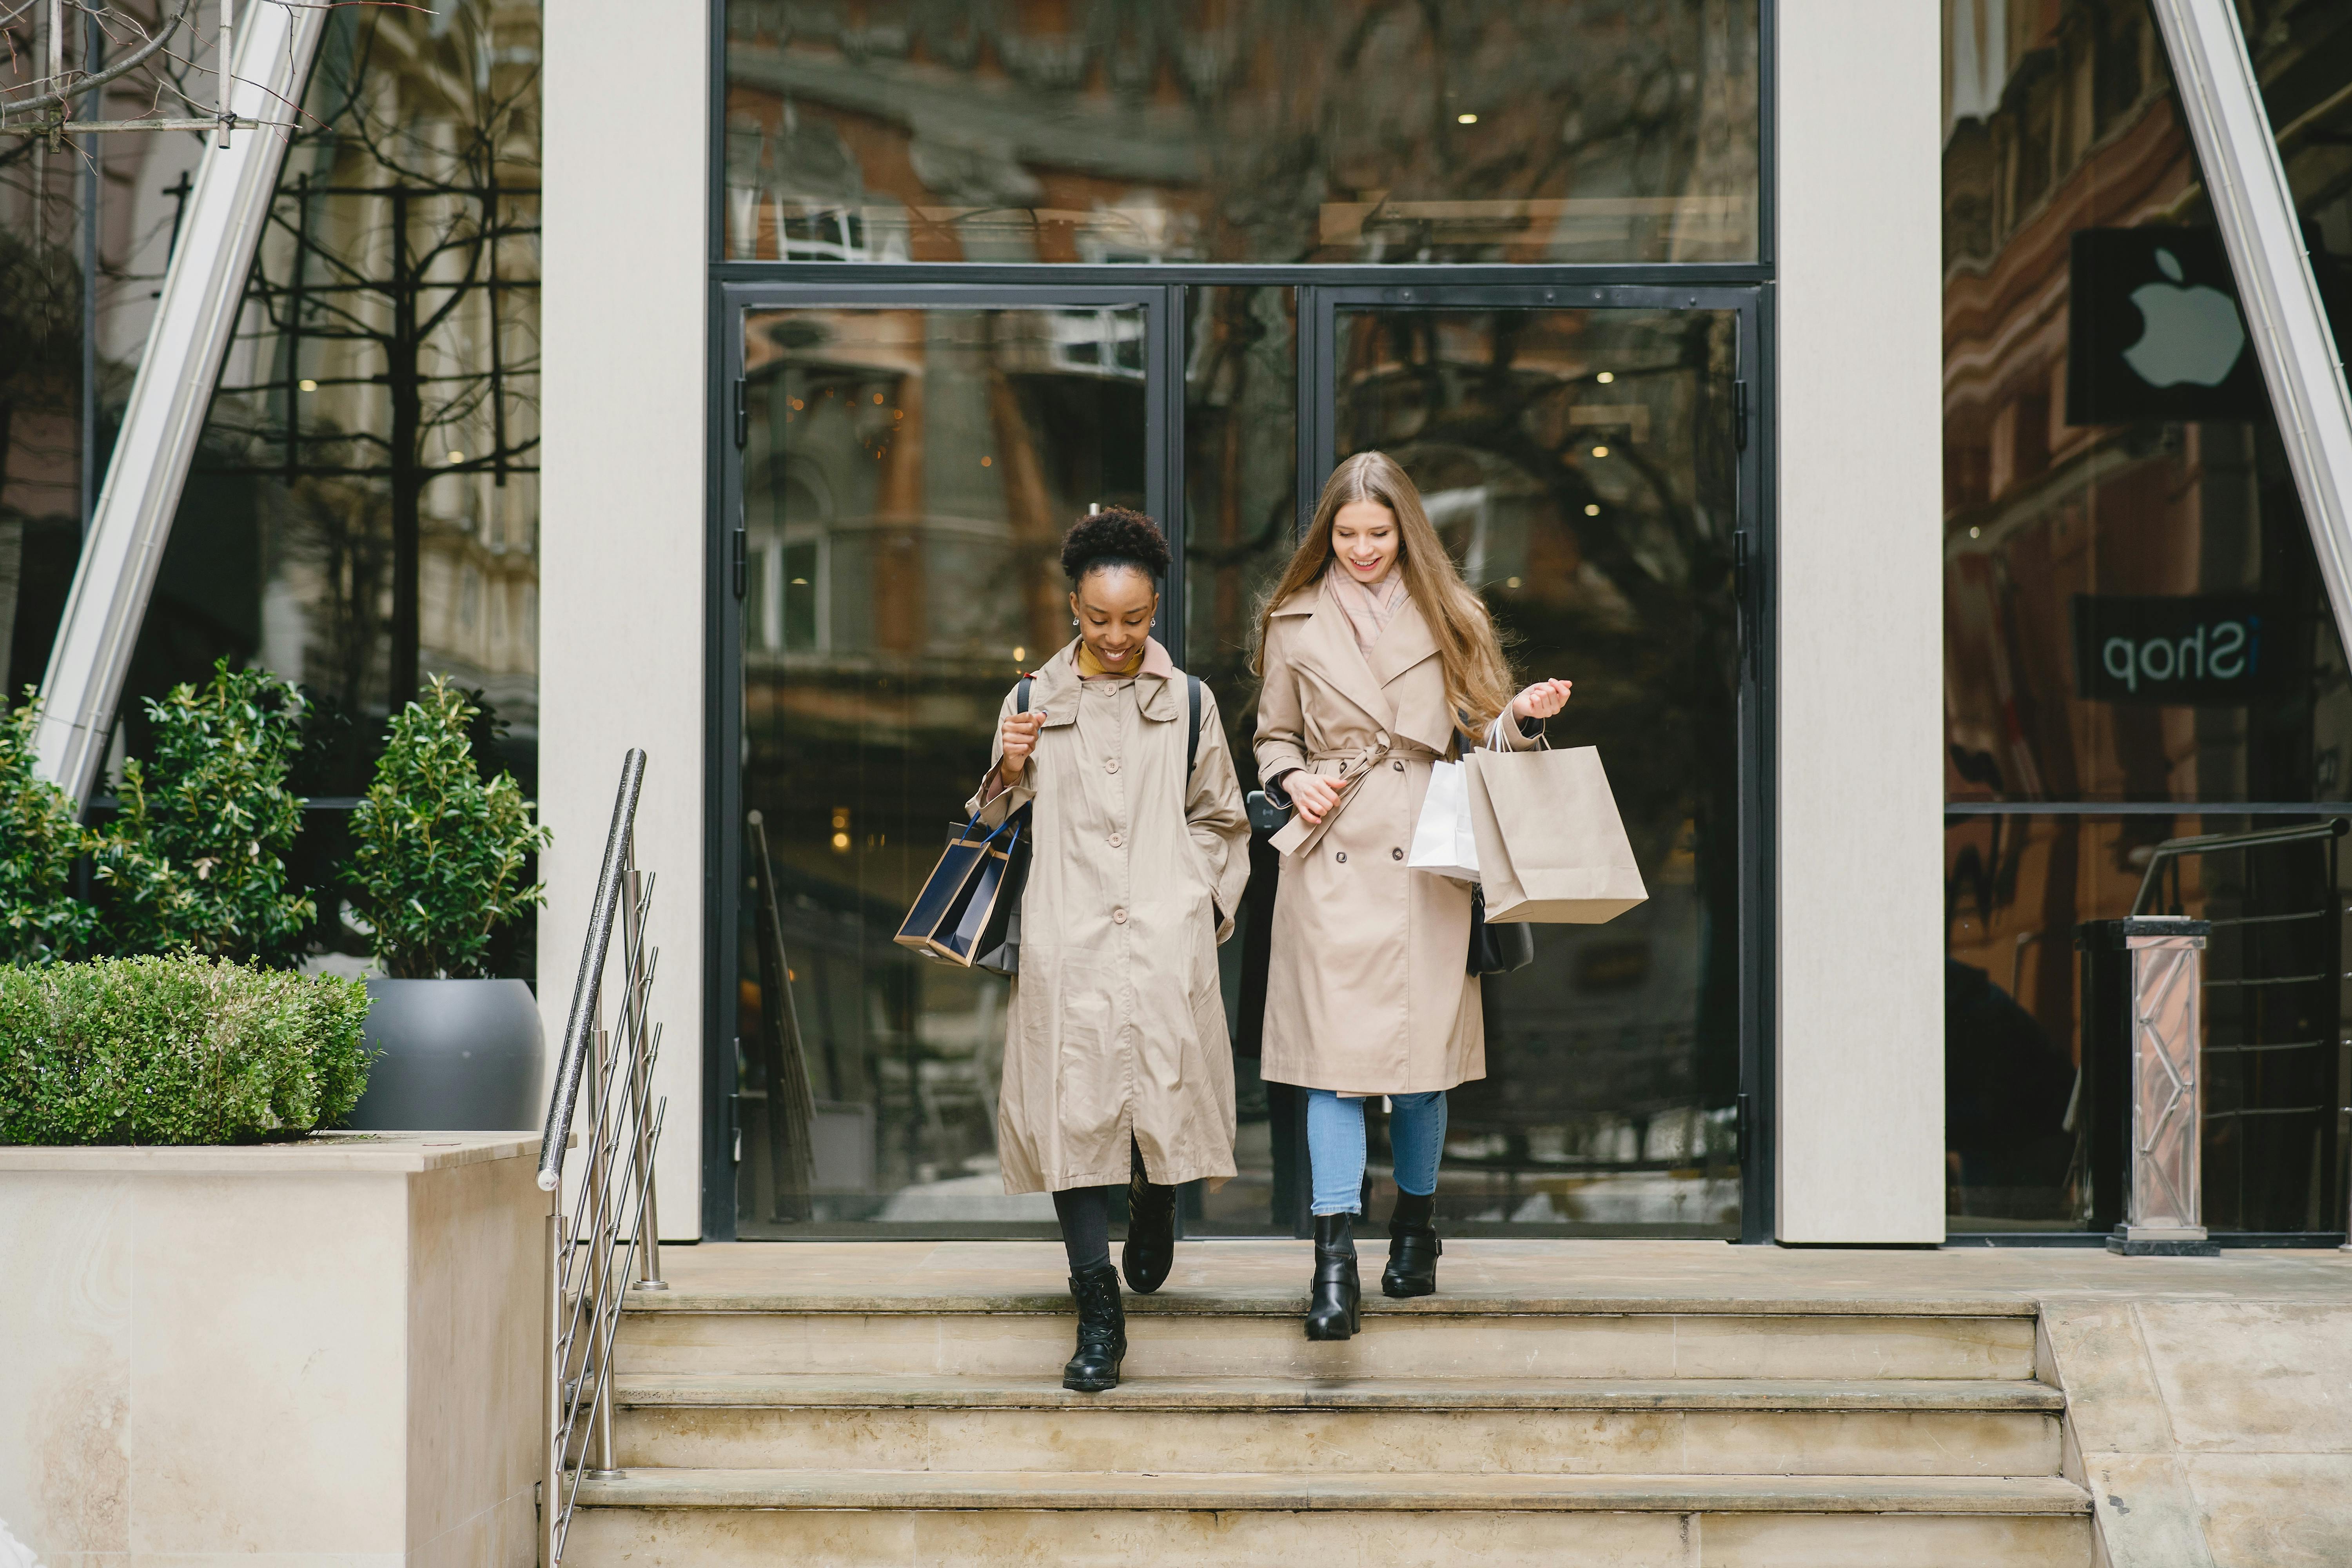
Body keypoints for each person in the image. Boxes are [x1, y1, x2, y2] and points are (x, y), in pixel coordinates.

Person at [1252, 451, 1573, 1340]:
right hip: (1331, 861)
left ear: (1406, 533)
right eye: (1347, 534)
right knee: (1333, 1071)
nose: (1361, 549)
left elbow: (1484, 726)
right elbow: (1272, 736)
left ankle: (1416, 1227)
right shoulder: (1292, 619)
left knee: (1422, 1075)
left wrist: (1527, 714)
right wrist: (1294, 780)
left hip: (1427, 859)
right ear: (1330, 533)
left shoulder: (1451, 611)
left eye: (1378, 534)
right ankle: (1332, 1267)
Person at [967, 507, 1251, 1391]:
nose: (1117, 636)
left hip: (1164, 938)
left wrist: (1194, 902)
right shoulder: (1028, 701)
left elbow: (1223, 818)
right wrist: (1007, 772)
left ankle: (1156, 1193)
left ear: (1156, 607)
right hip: (1069, 938)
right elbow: (990, 826)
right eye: (1099, 619)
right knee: (1071, 1112)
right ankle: (1098, 1313)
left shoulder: (1193, 702)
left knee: (1161, 1093)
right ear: (1074, 607)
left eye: (1135, 619)